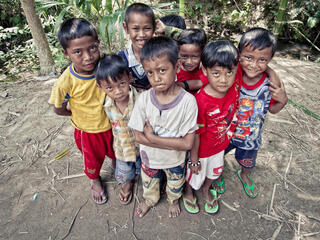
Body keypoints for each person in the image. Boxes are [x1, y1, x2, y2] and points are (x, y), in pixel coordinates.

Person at [128, 36, 198, 218]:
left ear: (177, 67)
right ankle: (150, 200)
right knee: (149, 183)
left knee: (175, 184)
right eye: (150, 73)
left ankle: (173, 200)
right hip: (149, 159)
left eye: (162, 70)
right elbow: (137, 136)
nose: (156, 78)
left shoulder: (188, 102)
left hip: (175, 160)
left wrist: (152, 138)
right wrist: (171, 141)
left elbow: (187, 144)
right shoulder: (144, 99)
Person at [48, 18, 116, 205]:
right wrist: (74, 114)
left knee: (117, 151)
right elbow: (58, 108)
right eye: (78, 52)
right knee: (92, 161)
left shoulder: (105, 66)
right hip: (88, 132)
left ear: (98, 44)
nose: (88, 56)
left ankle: (118, 167)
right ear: (65, 53)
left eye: (92, 48)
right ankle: (95, 181)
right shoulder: (66, 81)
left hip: (113, 124)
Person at [226, 27, 288, 198]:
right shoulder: (232, 73)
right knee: (217, 156)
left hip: (250, 136)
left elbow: (273, 110)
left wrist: (283, 100)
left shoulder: (270, 85)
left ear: (270, 59)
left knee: (248, 162)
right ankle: (215, 175)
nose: (253, 65)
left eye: (262, 60)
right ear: (239, 54)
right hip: (225, 132)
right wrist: (269, 68)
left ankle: (244, 175)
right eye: (248, 57)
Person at [183, 40, 240, 214]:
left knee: (214, 172)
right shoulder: (201, 101)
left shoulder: (234, 87)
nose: (223, 80)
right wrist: (194, 160)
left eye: (229, 72)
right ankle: (189, 191)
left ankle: (207, 189)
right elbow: (196, 134)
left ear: (236, 70)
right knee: (194, 175)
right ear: (205, 71)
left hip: (219, 147)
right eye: (216, 73)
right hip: (201, 151)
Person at [95, 54, 140, 205]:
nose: (118, 91)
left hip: (143, 147)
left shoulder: (141, 99)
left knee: (147, 170)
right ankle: (128, 183)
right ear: (100, 87)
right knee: (125, 173)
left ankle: (150, 183)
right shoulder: (106, 105)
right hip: (122, 149)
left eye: (122, 83)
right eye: (109, 87)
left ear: (129, 77)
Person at [118, 3, 156, 91]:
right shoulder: (120, 59)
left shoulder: (162, 57)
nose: (142, 34)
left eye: (147, 28)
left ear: (154, 27)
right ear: (126, 28)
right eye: (135, 29)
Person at [176, 28, 208, 94]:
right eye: (184, 56)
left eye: (194, 57)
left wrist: (184, 85)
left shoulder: (207, 67)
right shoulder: (174, 69)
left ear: (203, 53)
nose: (189, 62)